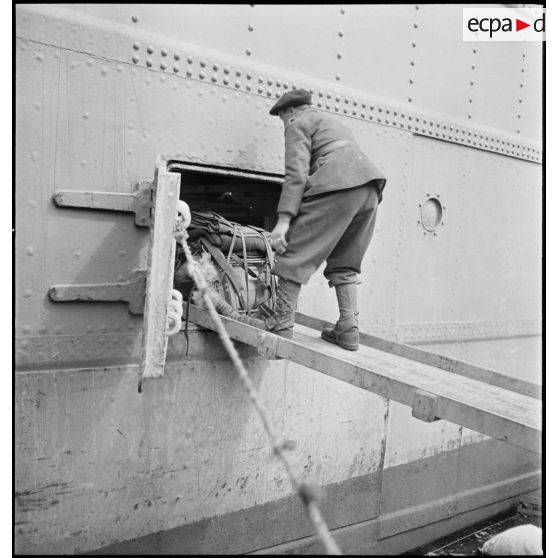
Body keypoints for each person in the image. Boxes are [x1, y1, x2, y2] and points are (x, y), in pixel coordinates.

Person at [265, 89, 386, 350]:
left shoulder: (298, 124)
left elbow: (296, 175)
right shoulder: (333, 123)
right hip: (369, 188)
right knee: (345, 260)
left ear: (291, 111)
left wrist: (284, 221)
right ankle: (348, 328)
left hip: (337, 184)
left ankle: (282, 323)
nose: (284, 124)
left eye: (283, 118)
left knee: (294, 251)